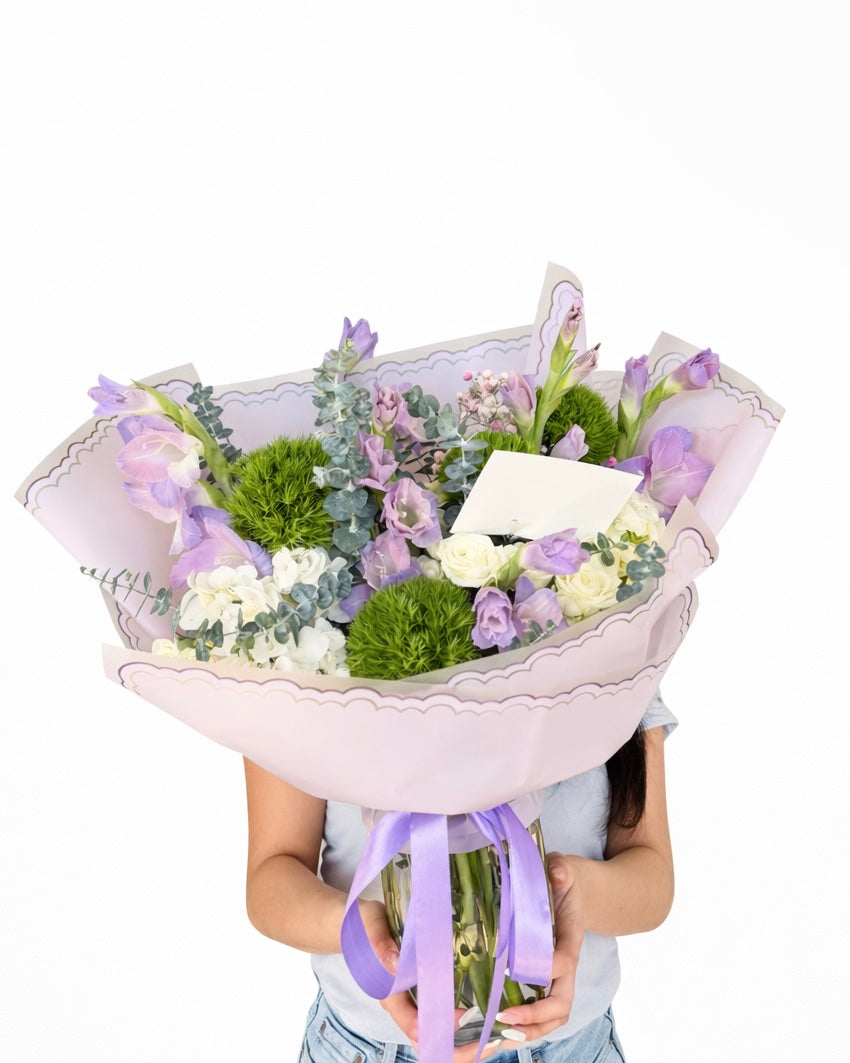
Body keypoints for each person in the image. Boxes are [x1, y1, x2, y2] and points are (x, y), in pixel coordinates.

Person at [243, 693, 676, 1063]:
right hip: (367, 1048)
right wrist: (358, 932)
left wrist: (570, 892)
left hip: (575, 1047)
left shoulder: (609, 638)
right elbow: (272, 875)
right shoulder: (302, 658)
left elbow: (652, 875)